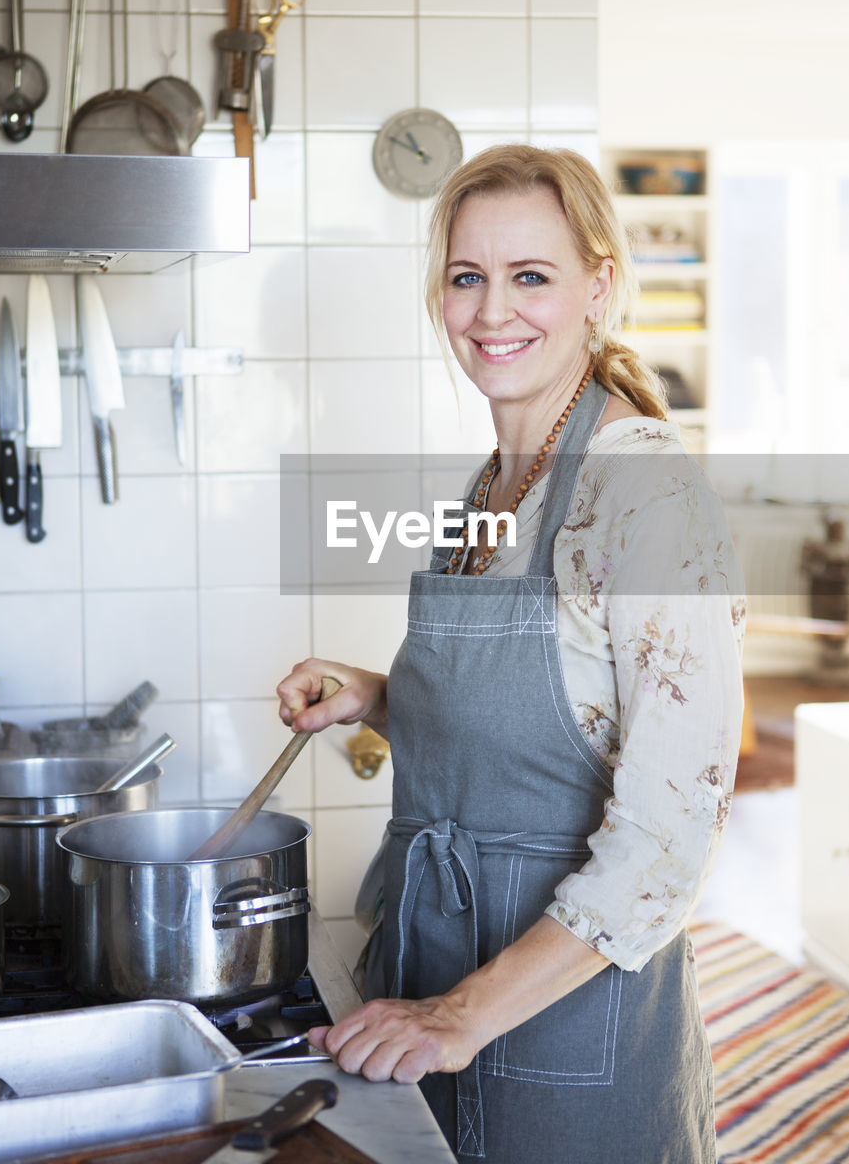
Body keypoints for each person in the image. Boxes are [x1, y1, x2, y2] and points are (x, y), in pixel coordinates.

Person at [276, 144, 745, 1164]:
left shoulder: (645, 495)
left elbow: (670, 834)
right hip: (433, 974)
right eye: (467, 276)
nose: (495, 312)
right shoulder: (494, 486)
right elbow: (537, 719)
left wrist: (463, 1014)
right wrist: (374, 695)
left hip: (568, 1022)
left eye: (530, 275)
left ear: (598, 286)